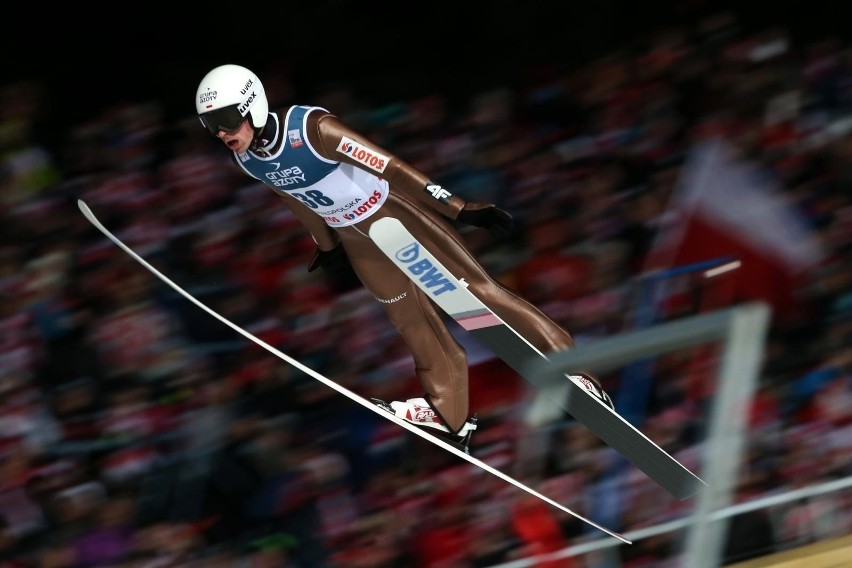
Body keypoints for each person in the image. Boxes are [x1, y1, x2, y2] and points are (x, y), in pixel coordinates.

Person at [194, 64, 613, 451]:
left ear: (254, 105)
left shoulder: (313, 128)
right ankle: (450, 413)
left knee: (476, 294)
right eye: (210, 125)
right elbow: (295, 197)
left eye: (226, 120)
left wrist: (457, 207)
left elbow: (391, 167)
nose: (220, 132)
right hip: (356, 240)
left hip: (391, 215)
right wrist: (325, 244)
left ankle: (577, 372)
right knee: (408, 320)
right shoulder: (247, 159)